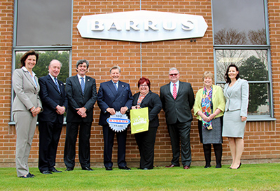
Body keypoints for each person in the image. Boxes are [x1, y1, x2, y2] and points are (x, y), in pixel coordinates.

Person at [12, 50, 42, 178]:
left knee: (29, 140)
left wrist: (39, 107)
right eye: (29, 59)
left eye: (34, 60)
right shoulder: (18, 73)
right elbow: (19, 91)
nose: (32, 62)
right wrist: (31, 107)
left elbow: (37, 95)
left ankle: (25, 169)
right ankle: (21, 171)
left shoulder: (34, 76)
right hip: (22, 110)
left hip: (33, 112)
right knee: (22, 140)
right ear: (24, 60)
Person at [97, 66, 133, 170]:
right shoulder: (103, 85)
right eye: (113, 73)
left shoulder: (125, 85)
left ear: (120, 74)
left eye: (117, 73)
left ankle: (122, 163)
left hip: (122, 119)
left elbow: (130, 99)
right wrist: (107, 109)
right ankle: (108, 164)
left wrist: (126, 107)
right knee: (108, 142)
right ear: (110, 74)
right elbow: (100, 100)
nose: (115, 75)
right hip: (108, 118)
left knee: (122, 142)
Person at [64, 59, 97, 171]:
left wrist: (85, 109)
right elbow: (69, 96)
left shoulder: (91, 81)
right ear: (77, 68)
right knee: (70, 140)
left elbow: (93, 97)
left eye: (84, 66)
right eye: (80, 66)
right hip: (73, 115)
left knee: (85, 140)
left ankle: (85, 164)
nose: (82, 68)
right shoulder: (70, 80)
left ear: (87, 69)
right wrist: (78, 109)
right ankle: (69, 165)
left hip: (86, 116)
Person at [160, 67, 195, 169]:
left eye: (175, 74)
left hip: (184, 118)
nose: (173, 76)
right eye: (171, 74)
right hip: (171, 118)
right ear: (169, 76)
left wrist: (184, 110)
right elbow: (163, 104)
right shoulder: (163, 89)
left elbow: (191, 101)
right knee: (174, 141)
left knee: (185, 141)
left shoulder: (187, 86)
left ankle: (186, 162)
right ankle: (175, 162)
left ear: (179, 75)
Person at [38, 59, 67, 174]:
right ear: (49, 68)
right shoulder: (43, 80)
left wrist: (64, 108)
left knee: (54, 141)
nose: (56, 70)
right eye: (54, 67)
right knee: (46, 141)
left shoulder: (60, 83)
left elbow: (65, 98)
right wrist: (57, 107)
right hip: (47, 117)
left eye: (58, 68)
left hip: (58, 118)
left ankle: (51, 165)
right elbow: (44, 97)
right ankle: (44, 167)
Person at [193, 71, 225, 168]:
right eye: (205, 78)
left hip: (215, 118)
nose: (207, 80)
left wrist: (213, 115)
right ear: (203, 80)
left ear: (212, 80)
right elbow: (196, 107)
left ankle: (218, 164)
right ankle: (207, 164)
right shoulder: (199, 92)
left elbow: (221, 104)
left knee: (217, 142)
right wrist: (203, 116)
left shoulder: (218, 89)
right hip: (203, 119)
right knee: (206, 142)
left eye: (209, 78)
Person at [131, 77, 162, 170]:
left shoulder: (154, 96)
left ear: (149, 86)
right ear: (138, 87)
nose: (143, 87)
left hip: (150, 124)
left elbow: (158, 106)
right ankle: (143, 165)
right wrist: (131, 108)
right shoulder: (135, 96)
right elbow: (130, 106)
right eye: (141, 85)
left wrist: (148, 118)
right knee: (140, 144)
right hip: (138, 124)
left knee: (148, 145)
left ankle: (148, 165)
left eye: (145, 85)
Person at [222, 64, 249, 169]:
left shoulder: (243, 83)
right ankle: (233, 161)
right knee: (230, 138)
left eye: (233, 71)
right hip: (228, 112)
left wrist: (243, 113)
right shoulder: (226, 85)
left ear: (237, 72)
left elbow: (245, 98)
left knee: (238, 136)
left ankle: (238, 161)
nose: (231, 73)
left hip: (238, 112)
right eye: (229, 71)